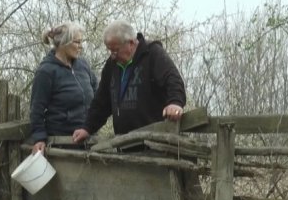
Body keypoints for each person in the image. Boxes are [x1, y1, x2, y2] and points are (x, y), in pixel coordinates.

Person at [72, 20, 186, 146]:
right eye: (110, 51)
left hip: (154, 143)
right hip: (125, 144)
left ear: (131, 43)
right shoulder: (112, 65)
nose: (113, 56)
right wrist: (87, 128)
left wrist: (175, 103)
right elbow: (101, 102)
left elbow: (173, 79)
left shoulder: (153, 54)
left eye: (115, 50)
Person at [30, 22, 98, 153]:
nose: (80, 47)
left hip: (89, 139)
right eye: (77, 42)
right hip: (63, 142)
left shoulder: (83, 65)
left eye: (81, 42)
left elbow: (97, 93)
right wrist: (39, 138)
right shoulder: (46, 71)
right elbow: (36, 108)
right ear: (63, 43)